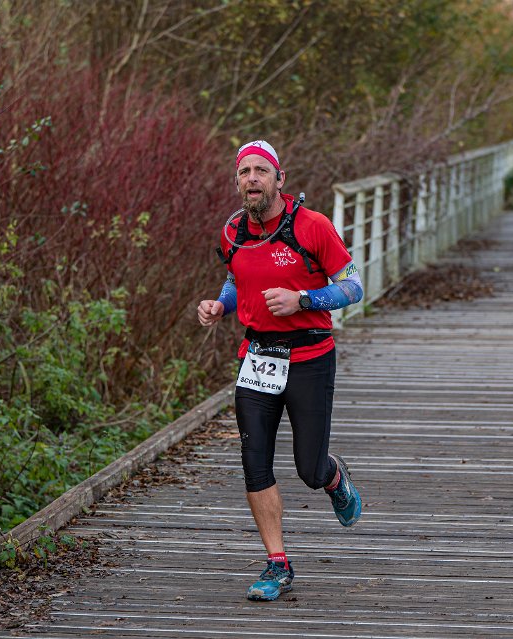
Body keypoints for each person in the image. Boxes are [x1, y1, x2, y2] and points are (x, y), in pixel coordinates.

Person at [197, 140, 364, 602]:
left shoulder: (313, 226)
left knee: (309, 468)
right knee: (255, 464)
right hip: (257, 360)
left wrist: (303, 300)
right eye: (244, 171)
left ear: (279, 178)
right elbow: (236, 280)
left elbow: (353, 286)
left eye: (261, 170)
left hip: (310, 357)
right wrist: (221, 305)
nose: (252, 178)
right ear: (237, 182)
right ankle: (277, 563)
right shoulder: (233, 231)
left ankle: (333, 477)